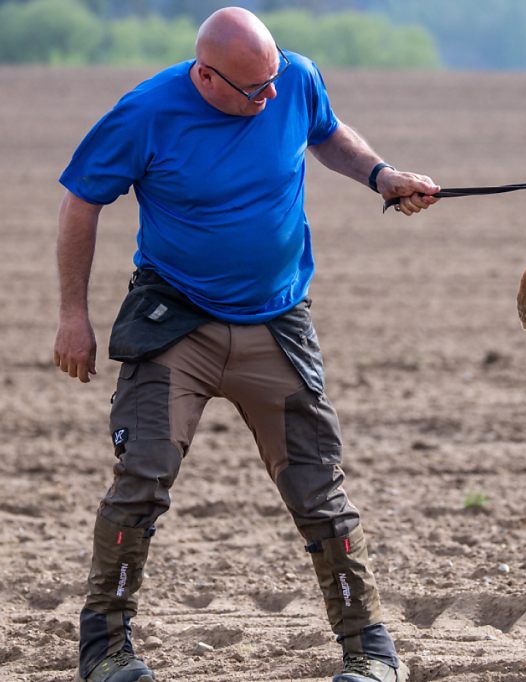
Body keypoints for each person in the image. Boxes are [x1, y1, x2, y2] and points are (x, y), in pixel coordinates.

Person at [54, 8, 439, 682]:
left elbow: (327, 132)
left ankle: (371, 651)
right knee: (141, 476)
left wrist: (381, 174)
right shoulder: (146, 112)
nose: (271, 96)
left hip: (278, 319)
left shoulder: (293, 78)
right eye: (254, 89)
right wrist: (72, 316)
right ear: (206, 76)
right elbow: (81, 202)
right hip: (176, 320)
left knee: (318, 487)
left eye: (274, 79)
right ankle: (105, 650)